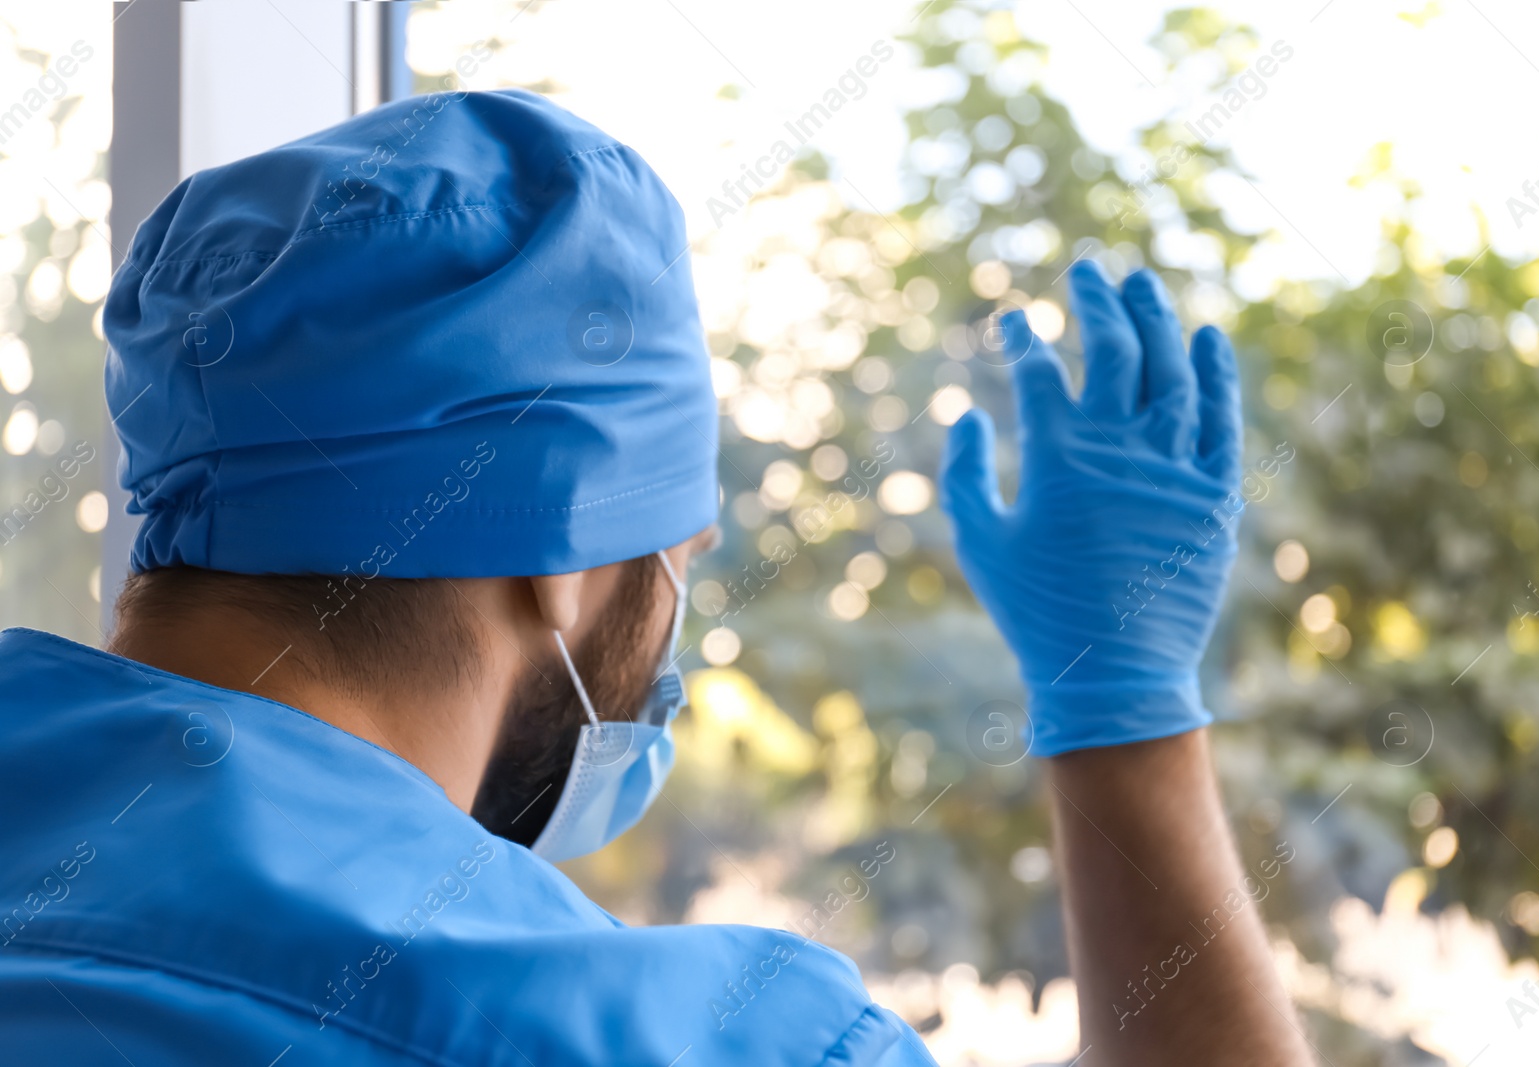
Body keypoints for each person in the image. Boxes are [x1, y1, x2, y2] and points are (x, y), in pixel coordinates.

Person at [0, 88, 1311, 1065]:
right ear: (565, 570)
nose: (675, 630)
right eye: (675, 561)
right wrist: (1125, 715)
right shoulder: (694, 1043)